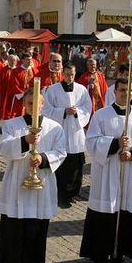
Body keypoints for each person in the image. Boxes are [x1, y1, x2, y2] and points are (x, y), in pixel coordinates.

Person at [80, 78, 132, 263]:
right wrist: (114, 145)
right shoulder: (101, 115)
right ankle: (99, 259)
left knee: (126, 215)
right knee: (105, 216)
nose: (125, 93)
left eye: (129, 90)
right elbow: (91, 141)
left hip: (131, 173)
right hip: (108, 173)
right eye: (122, 90)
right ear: (114, 92)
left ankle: (120, 254)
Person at [0, 88, 67, 263]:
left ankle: (33, 261)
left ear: (43, 105)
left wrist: (43, 159)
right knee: (16, 224)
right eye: (29, 103)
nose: (34, 107)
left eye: (38, 104)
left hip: (41, 181)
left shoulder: (54, 127)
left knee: (37, 223)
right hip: (17, 181)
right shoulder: (12, 125)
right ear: (23, 105)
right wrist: (25, 141)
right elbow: (3, 147)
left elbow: (61, 151)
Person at [42, 63, 91, 208]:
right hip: (60, 129)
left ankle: (73, 192)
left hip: (75, 130)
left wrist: (77, 112)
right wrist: (63, 111)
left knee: (75, 164)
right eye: (68, 74)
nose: (70, 77)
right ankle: (60, 192)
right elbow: (47, 109)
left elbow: (87, 108)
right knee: (61, 162)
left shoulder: (81, 90)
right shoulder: (53, 90)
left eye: (72, 74)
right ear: (63, 74)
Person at [1, 52, 35, 120]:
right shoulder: (16, 71)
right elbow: (14, 84)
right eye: (28, 59)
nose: (30, 61)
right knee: (18, 115)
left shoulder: (34, 71)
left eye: (30, 59)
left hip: (31, 98)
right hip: (19, 98)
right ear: (22, 60)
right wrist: (24, 95)